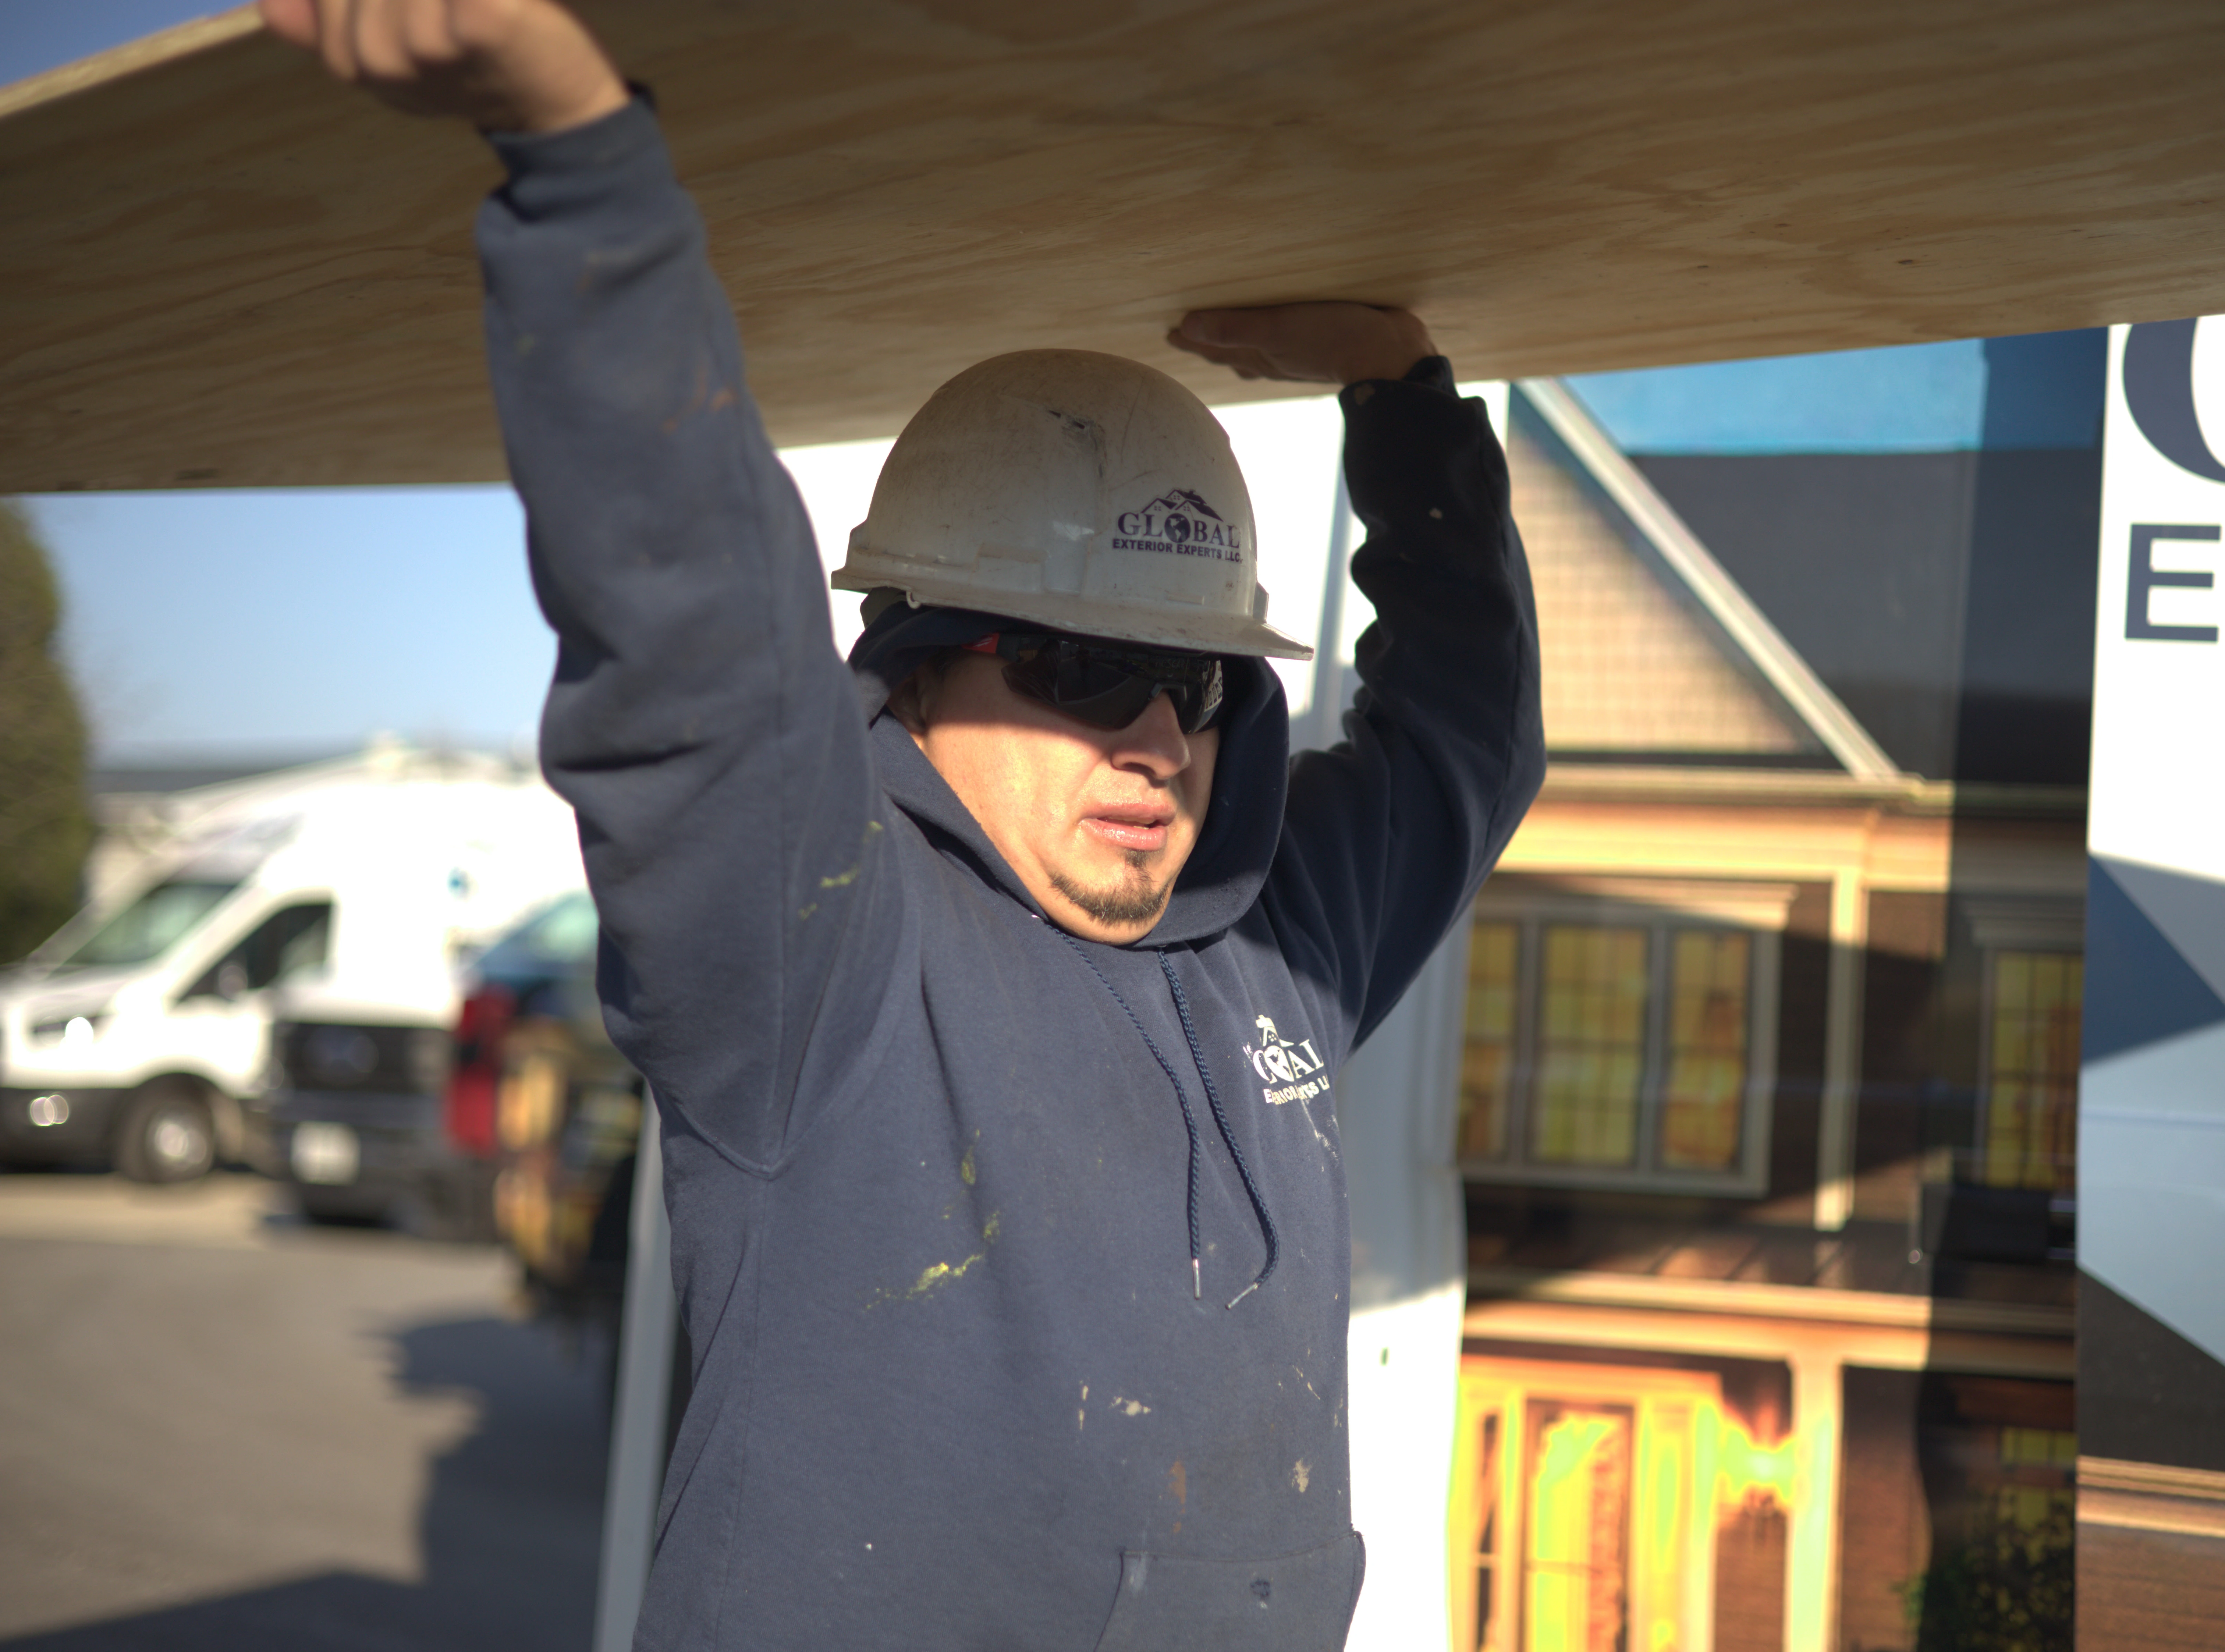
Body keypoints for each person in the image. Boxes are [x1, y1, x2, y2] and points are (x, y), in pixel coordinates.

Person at [265, 2, 1544, 1645]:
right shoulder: (817, 963)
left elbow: (1465, 736)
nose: (1158, 736)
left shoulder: (1279, 945)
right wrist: (583, 160)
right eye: (1087, 669)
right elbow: (690, 634)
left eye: (1199, 680)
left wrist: (1404, 400)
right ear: (919, 676)